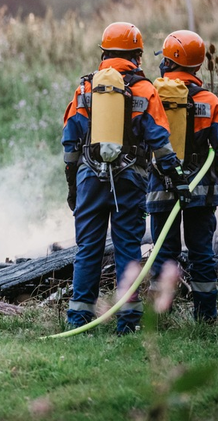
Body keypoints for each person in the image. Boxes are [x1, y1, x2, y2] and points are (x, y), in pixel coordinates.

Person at [62, 22, 189, 334]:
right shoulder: (145, 89)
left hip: (89, 178)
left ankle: (79, 319)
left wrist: (71, 185)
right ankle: (128, 323)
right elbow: (160, 141)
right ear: (137, 55)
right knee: (128, 251)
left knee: (88, 248)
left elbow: (70, 142)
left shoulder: (86, 88)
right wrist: (177, 178)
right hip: (130, 180)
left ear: (104, 52)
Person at [146, 30, 217, 322]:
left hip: (161, 187)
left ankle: (160, 318)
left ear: (170, 61)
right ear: (198, 65)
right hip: (201, 189)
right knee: (202, 251)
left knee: (164, 253)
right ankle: (206, 316)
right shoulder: (211, 101)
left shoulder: (153, 95)